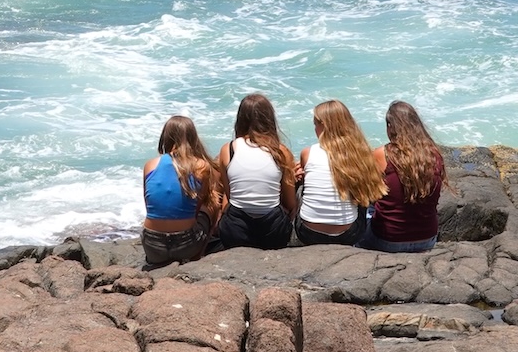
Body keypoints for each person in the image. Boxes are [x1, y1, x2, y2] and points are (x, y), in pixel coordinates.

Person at [213, 93, 297, 250]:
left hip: (235, 233)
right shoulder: (281, 152)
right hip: (273, 234)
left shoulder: (228, 149)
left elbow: (232, 196)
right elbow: (291, 203)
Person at [364, 99, 449, 253]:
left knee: (367, 207)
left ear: (390, 127)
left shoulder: (381, 155)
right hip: (427, 239)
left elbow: (365, 191)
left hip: (386, 240)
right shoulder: (435, 154)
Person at [295, 99, 384, 246]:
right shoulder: (360, 154)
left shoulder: (307, 153)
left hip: (308, 233)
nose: (314, 129)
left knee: (302, 189)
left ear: (323, 126)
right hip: (348, 235)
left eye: (316, 124)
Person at [141, 115, 225, 269]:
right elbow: (199, 207)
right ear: (193, 138)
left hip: (153, 246)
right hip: (186, 246)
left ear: (164, 138)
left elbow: (149, 205)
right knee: (211, 204)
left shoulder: (150, 165)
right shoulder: (201, 166)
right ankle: (199, 254)